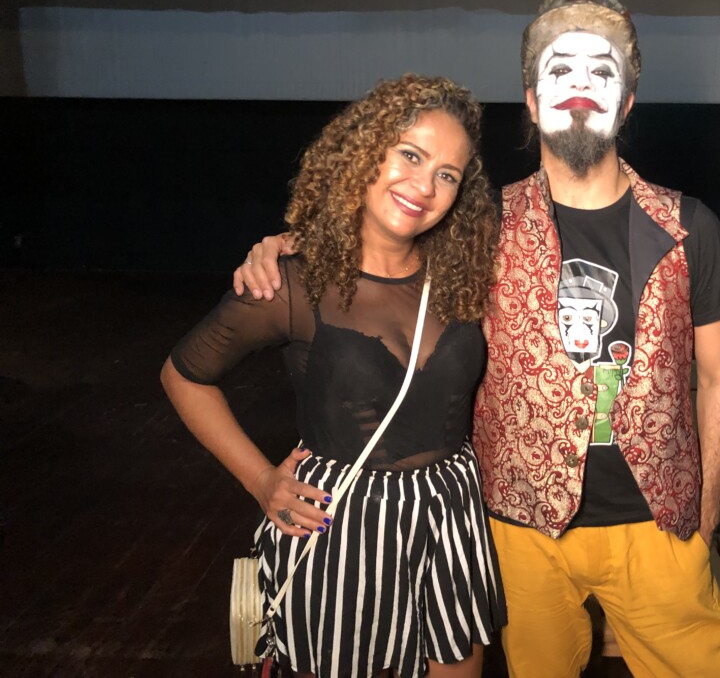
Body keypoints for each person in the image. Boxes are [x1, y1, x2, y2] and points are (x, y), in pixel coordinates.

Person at [237, 0, 720, 677]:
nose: (580, 87)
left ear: (627, 103)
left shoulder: (690, 227)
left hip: (658, 529)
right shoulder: (480, 227)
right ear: (531, 101)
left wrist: (705, 520)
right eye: (559, 70)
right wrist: (285, 247)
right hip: (520, 530)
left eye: (603, 72)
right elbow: (378, 243)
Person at [162, 74, 506, 678]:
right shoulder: (292, 283)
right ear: (365, 151)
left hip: (450, 508)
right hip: (341, 519)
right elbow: (182, 375)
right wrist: (260, 480)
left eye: (448, 175)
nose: (424, 186)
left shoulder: (465, 270)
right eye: (410, 155)